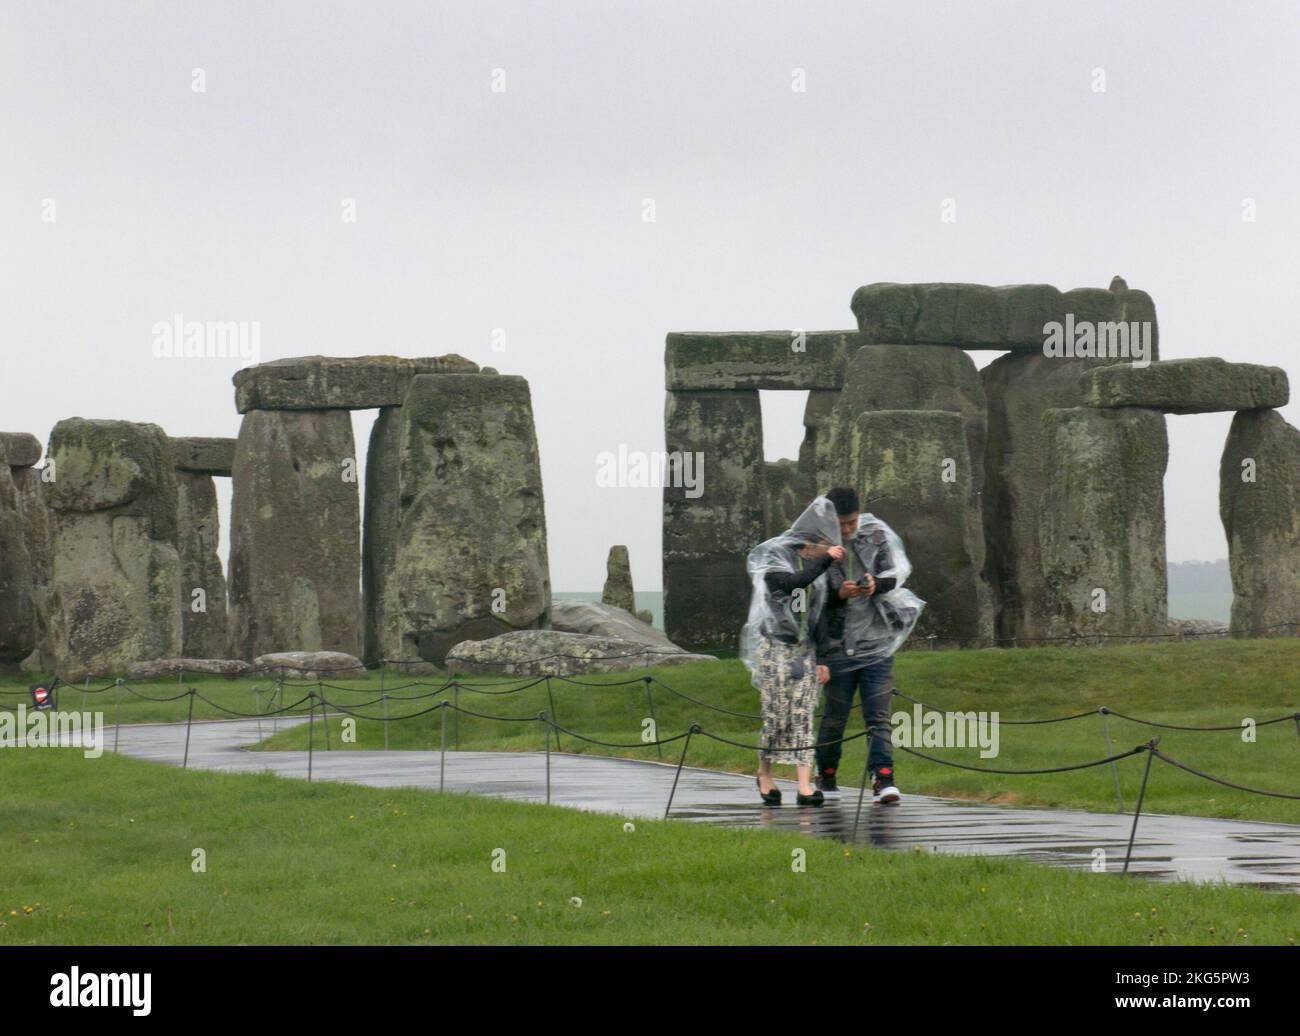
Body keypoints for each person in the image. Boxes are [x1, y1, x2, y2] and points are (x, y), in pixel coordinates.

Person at [812, 487, 924, 805]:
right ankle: (827, 773)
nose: (847, 529)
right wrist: (840, 593)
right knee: (835, 716)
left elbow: (895, 574)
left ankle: (883, 778)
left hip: (877, 641)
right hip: (836, 644)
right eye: (842, 524)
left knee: (878, 716)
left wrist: (875, 584)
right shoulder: (821, 543)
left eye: (852, 522)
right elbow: (814, 591)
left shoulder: (876, 534)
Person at [739, 496, 845, 807]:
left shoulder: (817, 566)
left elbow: (821, 614)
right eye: (820, 546)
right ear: (809, 543)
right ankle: (764, 774)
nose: (822, 551)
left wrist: (823, 658)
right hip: (775, 647)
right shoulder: (775, 558)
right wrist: (825, 560)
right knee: (776, 716)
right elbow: (791, 584)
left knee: (803, 714)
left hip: (805, 650)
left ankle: (804, 785)